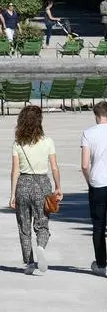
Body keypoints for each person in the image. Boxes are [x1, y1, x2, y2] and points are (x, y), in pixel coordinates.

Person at [9, 105, 62, 275]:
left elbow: (15, 171)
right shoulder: (48, 141)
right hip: (42, 184)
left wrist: (12, 195)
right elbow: (54, 167)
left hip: (23, 184)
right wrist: (58, 186)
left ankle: (30, 263)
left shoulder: (18, 143)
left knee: (24, 226)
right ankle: (41, 246)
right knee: (42, 224)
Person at [81, 101, 107, 276]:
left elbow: (84, 164)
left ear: (97, 116)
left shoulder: (88, 133)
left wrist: (89, 180)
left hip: (98, 183)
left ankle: (101, 264)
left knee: (98, 226)